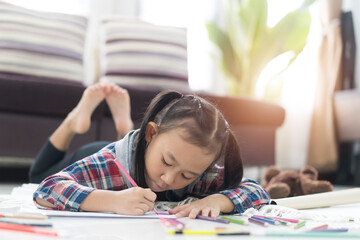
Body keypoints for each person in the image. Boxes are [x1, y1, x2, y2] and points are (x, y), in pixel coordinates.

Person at [32, 82, 270, 218]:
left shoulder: (195, 166)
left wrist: (219, 201)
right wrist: (111, 201)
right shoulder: (107, 165)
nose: (169, 179)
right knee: (36, 175)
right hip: (100, 153)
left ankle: (124, 129)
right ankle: (75, 120)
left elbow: (257, 191)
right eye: (167, 162)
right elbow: (46, 190)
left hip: (138, 153)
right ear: (152, 133)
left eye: (186, 176)